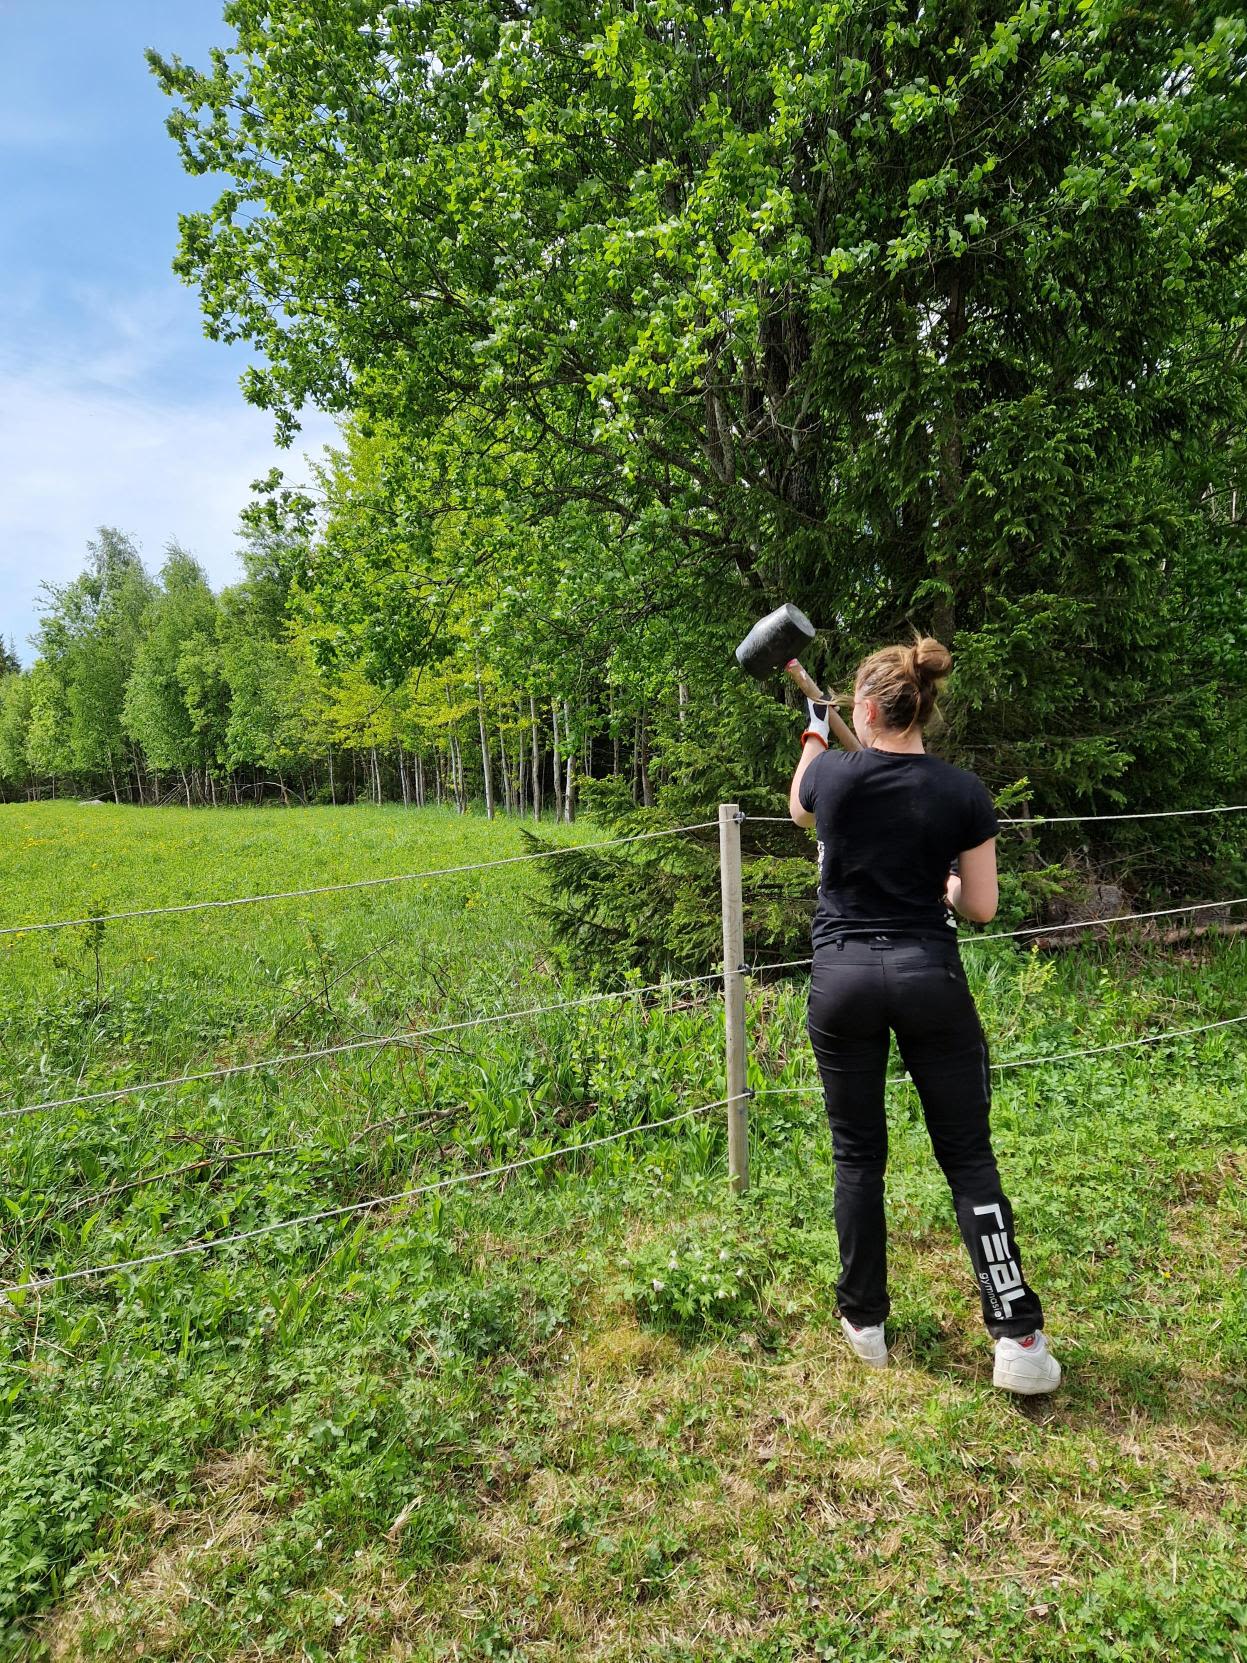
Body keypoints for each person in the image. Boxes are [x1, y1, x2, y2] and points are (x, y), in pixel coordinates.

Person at [788, 635, 1060, 1394]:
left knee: (857, 1155)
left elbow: (797, 807)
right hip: (926, 975)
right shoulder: (960, 791)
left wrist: (815, 726)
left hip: (842, 979)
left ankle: (865, 1323)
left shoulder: (833, 775)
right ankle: (1016, 1338)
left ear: (864, 708)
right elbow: (978, 906)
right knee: (967, 1156)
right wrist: (940, 883)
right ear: (921, 705)